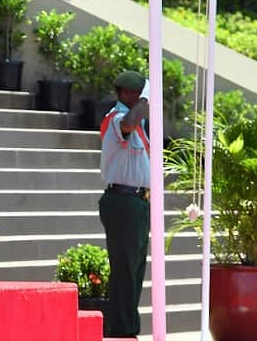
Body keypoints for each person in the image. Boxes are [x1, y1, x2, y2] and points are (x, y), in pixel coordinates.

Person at [99, 70, 151, 339]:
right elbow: (127, 125)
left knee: (135, 270)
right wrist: (143, 105)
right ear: (128, 94)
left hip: (138, 203)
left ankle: (128, 328)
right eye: (139, 95)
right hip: (123, 201)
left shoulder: (138, 124)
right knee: (125, 270)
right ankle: (122, 330)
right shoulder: (117, 117)